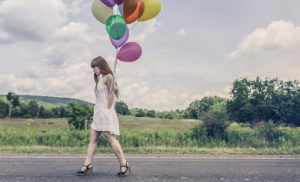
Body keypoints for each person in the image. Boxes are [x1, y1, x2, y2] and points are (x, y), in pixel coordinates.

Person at [76, 56, 131, 177]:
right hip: (98, 112)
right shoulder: (100, 79)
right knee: (92, 138)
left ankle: (124, 163)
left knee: (109, 138)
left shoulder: (108, 77)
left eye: (95, 66)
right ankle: (87, 163)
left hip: (105, 112)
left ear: (101, 65)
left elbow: (112, 94)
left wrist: (108, 109)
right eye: (93, 67)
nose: (94, 69)